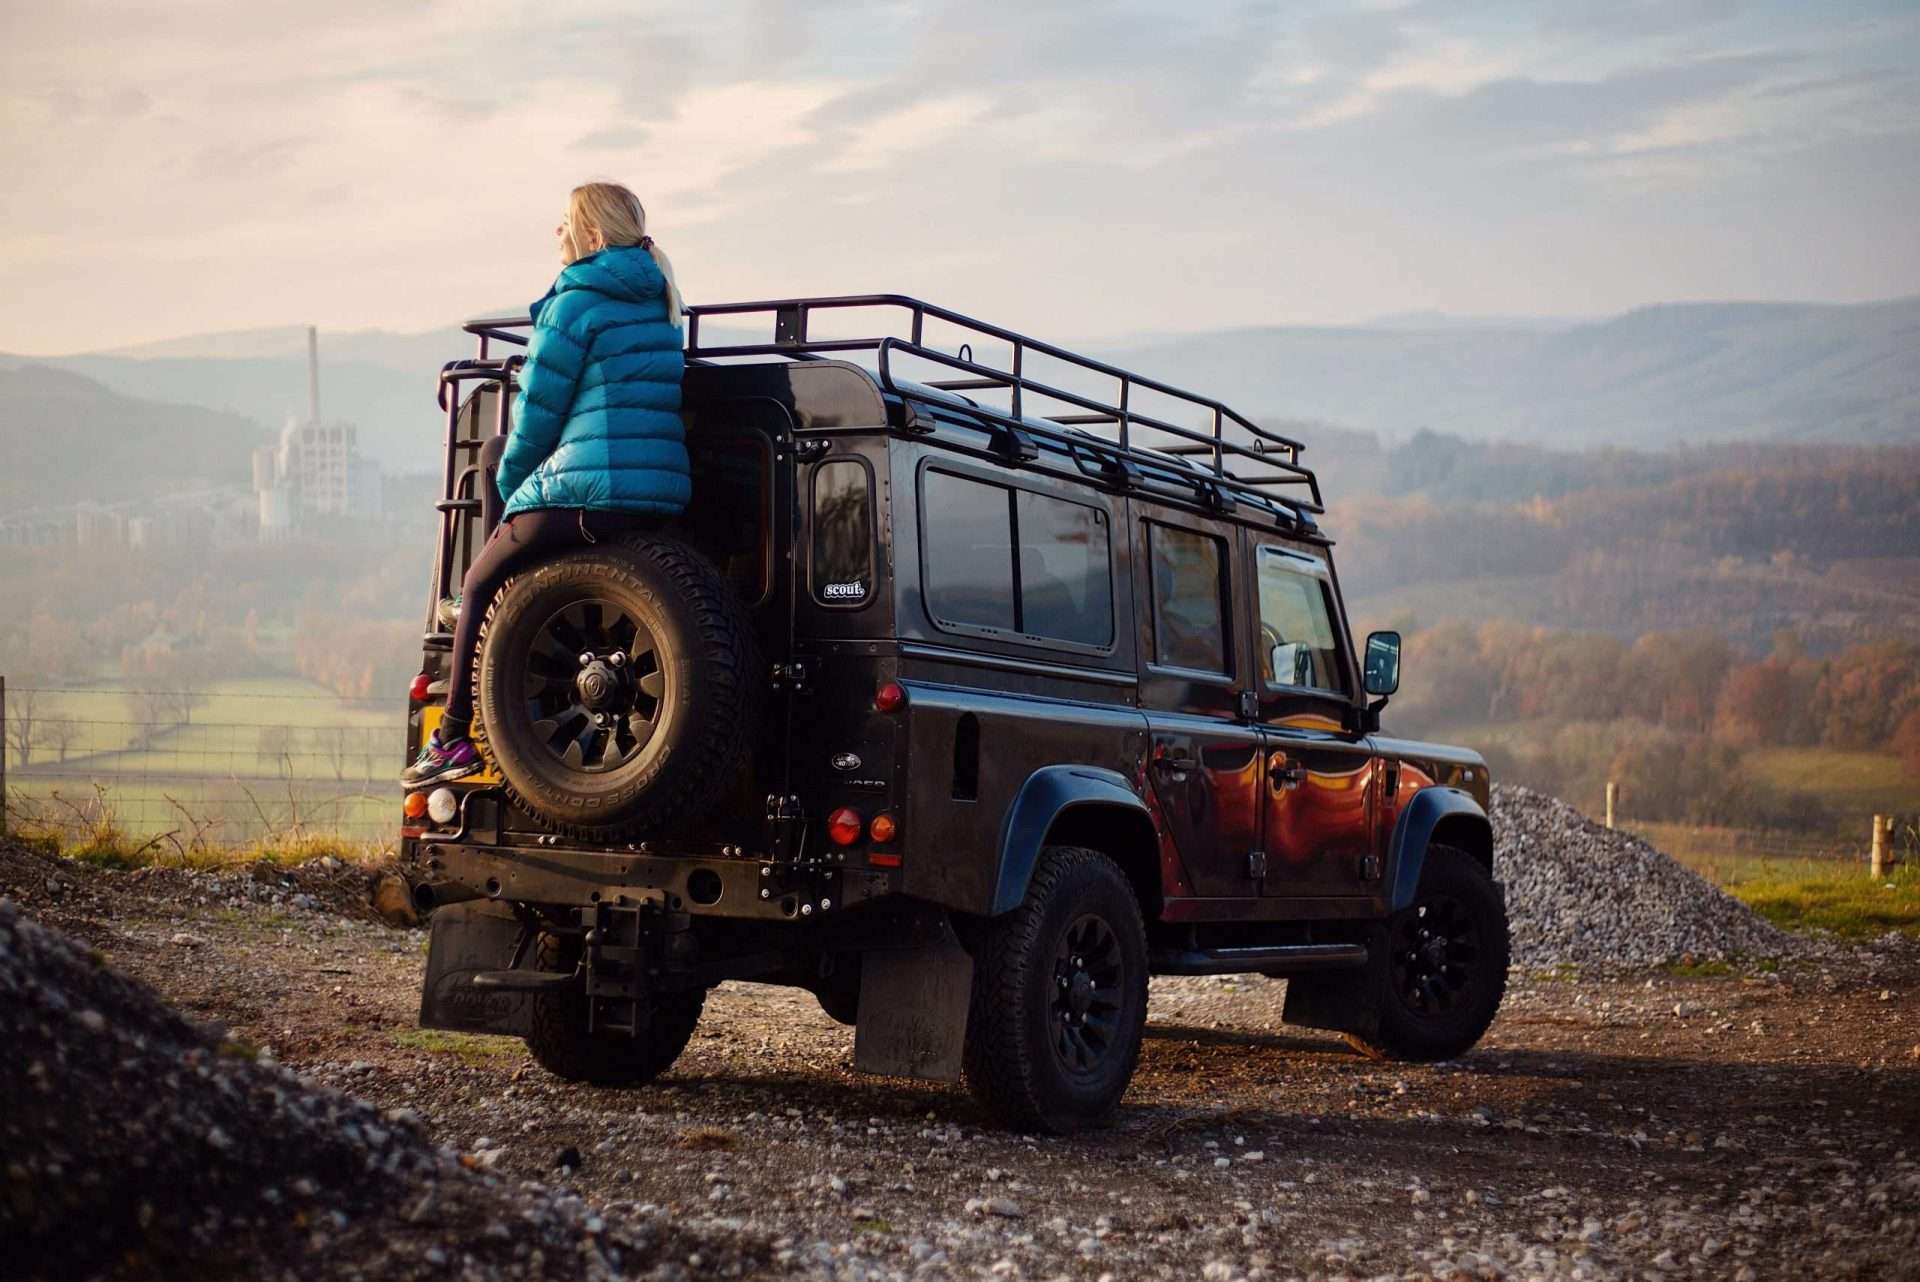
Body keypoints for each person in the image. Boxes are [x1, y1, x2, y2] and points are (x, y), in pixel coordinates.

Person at [403, 181, 688, 789]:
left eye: (564, 221)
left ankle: (454, 737)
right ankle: (499, 584)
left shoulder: (575, 302)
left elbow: (535, 418)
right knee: (497, 458)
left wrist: (514, 496)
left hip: (588, 496)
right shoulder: (663, 298)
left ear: (591, 235)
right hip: (657, 494)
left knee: (477, 575)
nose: (556, 232)